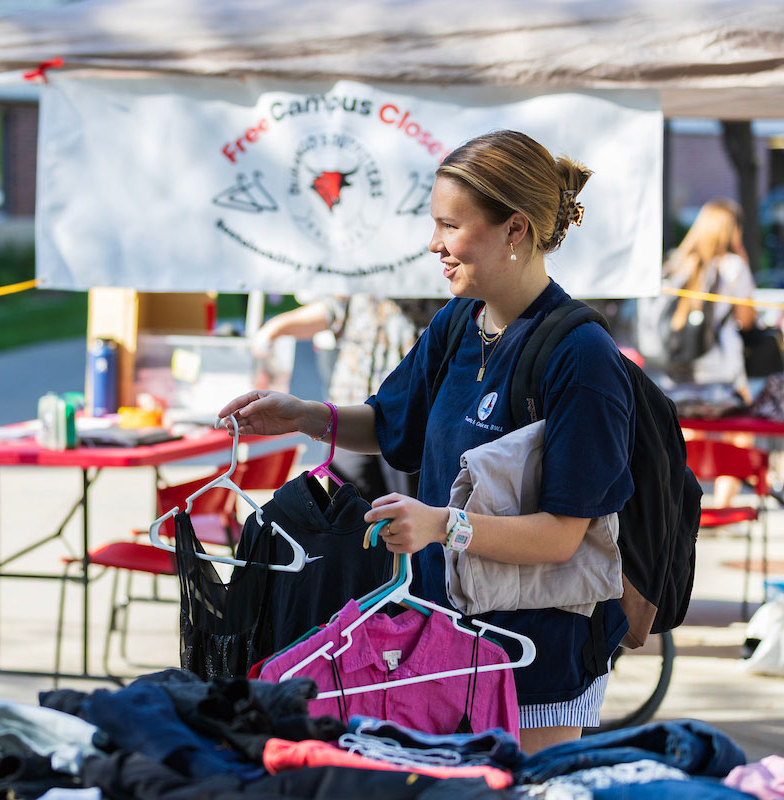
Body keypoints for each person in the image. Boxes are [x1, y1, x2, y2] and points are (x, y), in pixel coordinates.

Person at [219, 130, 634, 754]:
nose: (434, 244)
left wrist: (443, 526)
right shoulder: (456, 323)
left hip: (539, 661)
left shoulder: (582, 357)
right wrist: (304, 415)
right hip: (444, 645)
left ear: (514, 229)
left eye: (450, 225)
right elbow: (391, 423)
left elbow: (562, 534)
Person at [251, 295, 443, 501]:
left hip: (407, 415)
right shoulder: (360, 276)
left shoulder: (435, 284)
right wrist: (276, 327)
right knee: (346, 507)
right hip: (350, 407)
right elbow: (331, 311)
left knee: (408, 508)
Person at [661, 198, 756, 507]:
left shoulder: (676, 262)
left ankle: (683, 500)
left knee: (685, 433)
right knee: (738, 432)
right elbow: (746, 320)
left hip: (678, 372)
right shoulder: (733, 266)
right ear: (732, 230)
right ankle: (721, 505)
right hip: (723, 372)